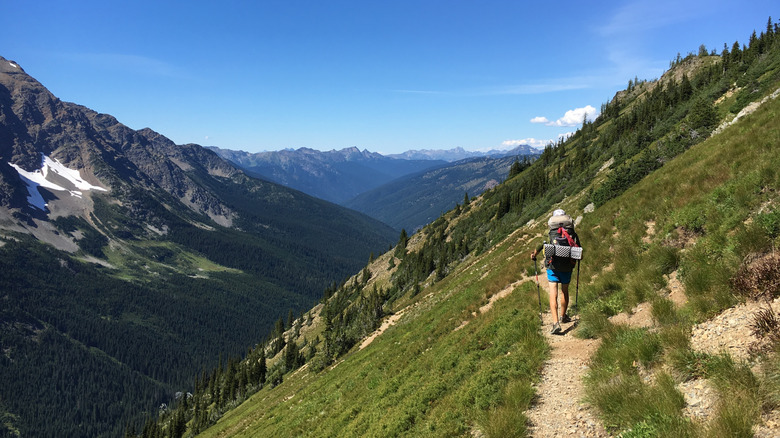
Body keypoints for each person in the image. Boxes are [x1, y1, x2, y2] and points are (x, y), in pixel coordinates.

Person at [531, 209, 581, 334]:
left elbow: (540, 245)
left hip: (552, 266)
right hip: (567, 266)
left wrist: (534, 254)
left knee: (553, 293)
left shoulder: (549, 232)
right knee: (564, 291)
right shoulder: (572, 232)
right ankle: (563, 316)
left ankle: (555, 323)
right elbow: (579, 250)